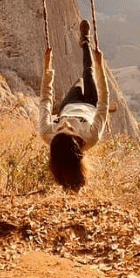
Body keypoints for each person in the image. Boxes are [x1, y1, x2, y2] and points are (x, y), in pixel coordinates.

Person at [38, 19, 109, 191]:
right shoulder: (90, 137)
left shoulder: (47, 133)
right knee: (89, 73)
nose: (65, 123)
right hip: (90, 104)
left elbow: (45, 100)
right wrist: (100, 66)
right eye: (68, 129)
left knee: (78, 83)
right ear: (75, 142)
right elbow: (104, 102)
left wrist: (47, 66)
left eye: (59, 126)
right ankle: (85, 41)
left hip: (69, 104)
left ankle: (68, 97)